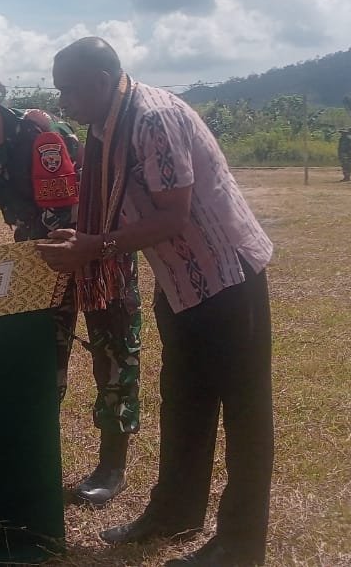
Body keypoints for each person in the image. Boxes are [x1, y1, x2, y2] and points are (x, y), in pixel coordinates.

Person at [40, 38, 274, 567]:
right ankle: (175, 513)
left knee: (244, 414)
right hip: (181, 284)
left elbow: (174, 216)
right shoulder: (104, 127)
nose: (64, 104)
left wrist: (93, 247)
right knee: (185, 402)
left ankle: (240, 545)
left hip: (228, 278)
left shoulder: (151, 119)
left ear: (101, 81)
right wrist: (81, 234)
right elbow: (120, 208)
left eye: (69, 90)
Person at [0, 73, 141, 506]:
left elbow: (64, 215)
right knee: (38, 358)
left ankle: (111, 466)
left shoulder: (43, 136)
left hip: (97, 254)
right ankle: (33, 457)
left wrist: (61, 256)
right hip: (40, 262)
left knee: (114, 355)